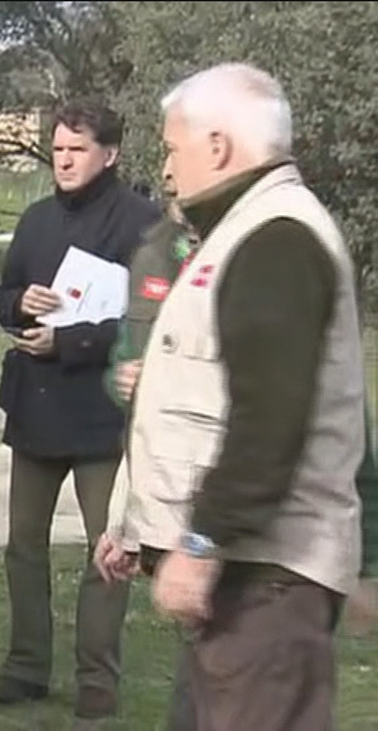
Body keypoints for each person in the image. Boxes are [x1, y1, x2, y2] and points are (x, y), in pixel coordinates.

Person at [104, 63, 369, 731]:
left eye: (172, 147)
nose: (167, 168)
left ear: (217, 145)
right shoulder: (244, 231)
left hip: (266, 583)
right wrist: (137, 525)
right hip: (247, 582)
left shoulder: (277, 237)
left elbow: (269, 418)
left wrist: (201, 541)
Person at [0, 99, 160, 725]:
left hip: (101, 415)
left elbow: (151, 321)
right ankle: (25, 667)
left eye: (77, 149)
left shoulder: (144, 224)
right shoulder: (34, 220)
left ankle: (97, 680)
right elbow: (3, 296)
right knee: (22, 547)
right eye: (57, 149)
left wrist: (72, 341)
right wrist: (18, 306)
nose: (63, 159)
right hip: (34, 407)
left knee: (105, 551)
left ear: (109, 153)